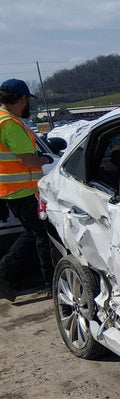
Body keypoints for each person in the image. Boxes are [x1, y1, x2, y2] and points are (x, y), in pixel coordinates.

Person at [0, 78, 52, 302]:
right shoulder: (10, 124)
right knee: (40, 236)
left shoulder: (3, 120)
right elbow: (29, 161)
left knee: (36, 234)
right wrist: (46, 160)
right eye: (27, 100)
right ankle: (50, 282)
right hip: (22, 190)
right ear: (22, 99)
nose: (27, 105)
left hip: (13, 189)